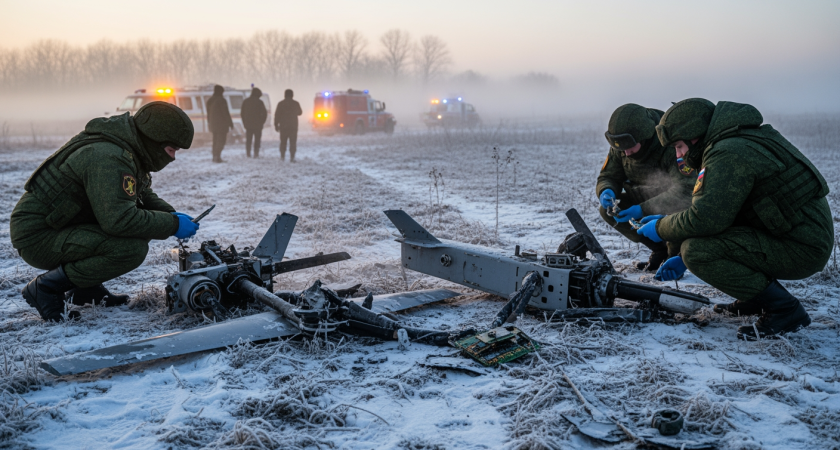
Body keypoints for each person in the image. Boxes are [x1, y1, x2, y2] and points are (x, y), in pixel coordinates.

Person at [637, 99, 833, 339]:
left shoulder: (727, 152)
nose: (678, 154)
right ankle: (755, 299)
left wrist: (661, 227)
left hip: (803, 247)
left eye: (679, 146)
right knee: (695, 248)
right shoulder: (738, 139)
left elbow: (705, 219)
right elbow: (725, 212)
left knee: (696, 251)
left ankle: (785, 309)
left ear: (694, 136)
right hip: (794, 234)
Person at [10, 102, 200, 322]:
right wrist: (172, 225)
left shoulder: (126, 150)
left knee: (142, 229)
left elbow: (141, 194)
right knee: (131, 249)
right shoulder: (109, 158)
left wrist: (171, 214)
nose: (173, 157)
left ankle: (85, 290)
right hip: (39, 236)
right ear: (153, 140)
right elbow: (119, 220)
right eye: (171, 150)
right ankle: (46, 288)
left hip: (60, 226)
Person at [596, 104, 696, 271]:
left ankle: (675, 257)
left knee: (677, 214)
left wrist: (642, 209)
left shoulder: (671, 143)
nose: (625, 153)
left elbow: (685, 191)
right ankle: (659, 250)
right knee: (609, 210)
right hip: (643, 197)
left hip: (674, 205)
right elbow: (609, 176)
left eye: (629, 148)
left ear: (643, 136)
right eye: (621, 149)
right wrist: (606, 190)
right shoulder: (622, 145)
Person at [206, 84, 233, 163]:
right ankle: (218, 156)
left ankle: (214, 156)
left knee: (215, 141)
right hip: (222, 125)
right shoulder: (221, 100)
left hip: (213, 125)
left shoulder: (210, 100)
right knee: (221, 141)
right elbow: (225, 113)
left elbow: (208, 114)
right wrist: (230, 123)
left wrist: (209, 123)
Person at [274, 89, 302, 162]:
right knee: (293, 142)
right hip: (293, 126)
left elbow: (277, 115)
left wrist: (276, 125)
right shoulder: (296, 103)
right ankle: (292, 157)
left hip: (283, 126)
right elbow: (300, 112)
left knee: (283, 142)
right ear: (292, 95)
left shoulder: (280, 104)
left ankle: (282, 156)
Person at [241, 87, 267, 158]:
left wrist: (244, 123)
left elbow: (242, 114)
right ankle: (256, 153)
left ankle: (248, 153)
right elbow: (264, 114)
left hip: (248, 125)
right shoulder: (260, 102)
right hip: (258, 125)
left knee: (248, 140)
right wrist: (262, 122)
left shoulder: (246, 101)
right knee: (257, 140)